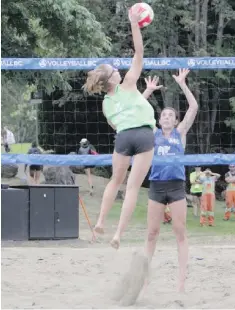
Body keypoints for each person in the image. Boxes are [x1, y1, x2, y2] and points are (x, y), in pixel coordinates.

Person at [83, 7, 159, 249]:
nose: (119, 70)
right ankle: (118, 235)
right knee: (133, 188)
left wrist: (145, 93)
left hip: (124, 137)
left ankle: (101, 222)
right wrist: (135, 24)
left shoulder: (106, 102)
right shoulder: (127, 83)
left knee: (115, 182)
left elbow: (117, 123)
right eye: (115, 70)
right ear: (114, 78)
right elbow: (139, 52)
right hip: (145, 135)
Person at [145, 68, 198, 293]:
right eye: (163, 115)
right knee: (152, 233)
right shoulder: (151, 134)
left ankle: (181, 281)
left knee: (180, 232)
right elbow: (134, 108)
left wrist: (183, 84)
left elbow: (194, 107)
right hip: (156, 186)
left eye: (170, 115)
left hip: (176, 186)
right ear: (159, 120)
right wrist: (148, 91)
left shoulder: (180, 132)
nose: (166, 117)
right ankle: (145, 278)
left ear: (175, 120)